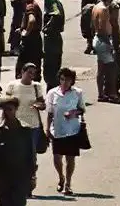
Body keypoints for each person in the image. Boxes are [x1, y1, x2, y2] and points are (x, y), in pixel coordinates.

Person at [3, 63, 44, 194]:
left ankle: (29, 184)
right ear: (22, 72)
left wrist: (39, 105)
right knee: (15, 155)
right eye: (29, 72)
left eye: (34, 73)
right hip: (16, 125)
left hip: (32, 125)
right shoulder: (12, 85)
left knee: (31, 156)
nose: (31, 75)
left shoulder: (36, 86)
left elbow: (42, 104)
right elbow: (6, 104)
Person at [45, 68, 85, 196]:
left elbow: (82, 109)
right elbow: (50, 112)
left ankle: (68, 183)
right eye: (62, 79)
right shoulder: (52, 93)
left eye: (68, 80)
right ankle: (61, 177)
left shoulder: (77, 93)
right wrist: (47, 129)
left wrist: (74, 113)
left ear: (72, 81)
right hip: (57, 130)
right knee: (57, 157)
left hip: (72, 129)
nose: (64, 82)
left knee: (70, 158)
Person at [0, 96, 35, 205]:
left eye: (10, 109)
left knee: (19, 202)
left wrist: (32, 176)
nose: (7, 112)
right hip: (2, 176)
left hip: (20, 175)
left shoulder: (25, 130)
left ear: (15, 110)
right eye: (5, 109)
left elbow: (31, 155)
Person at [90, 0, 119, 103]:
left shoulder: (96, 7)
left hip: (97, 39)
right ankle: (112, 94)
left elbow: (93, 25)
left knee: (101, 69)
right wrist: (108, 43)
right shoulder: (104, 10)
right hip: (103, 39)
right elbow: (102, 28)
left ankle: (101, 94)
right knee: (112, 69)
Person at [14, 0, 42, 84]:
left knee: (23, 67)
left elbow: (32, 20)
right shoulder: (30, 4)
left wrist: (26, 33)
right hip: (35, 40)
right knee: (34, 66)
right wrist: (22, 28)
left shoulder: (30, 6)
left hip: (30, 42)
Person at [39, 0, 64, 91]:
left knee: (51, 67)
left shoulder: (52, 2)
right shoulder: (48, 1)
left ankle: (52, 92)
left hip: (53, 39)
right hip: (51, 39)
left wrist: (47, 27)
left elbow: (56, 14)